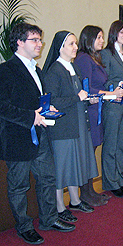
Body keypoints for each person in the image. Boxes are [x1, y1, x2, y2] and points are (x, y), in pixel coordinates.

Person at [0, 23, 75, 245]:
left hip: (39, 135)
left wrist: (47, 109)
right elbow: (2, 107)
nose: (40, 44)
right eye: (34, 40)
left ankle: (49, 219)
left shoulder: (37, 69)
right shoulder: (6, 70)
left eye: (40, 40)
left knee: (47, 178)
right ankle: (24, 227)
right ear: (20, 42)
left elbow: (37, 101)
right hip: (17, 138)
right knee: (19, 186)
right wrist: (31, 117)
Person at [43, 31, 96, 223]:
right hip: (63, 128)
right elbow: (52, 101)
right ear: (61, 47)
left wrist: (88, 99)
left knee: (75, 164)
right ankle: (59, 207)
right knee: (62, 168)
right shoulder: (54, 71)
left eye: (75, 44)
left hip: (77, 124)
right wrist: (78, 98)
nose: (75, 47)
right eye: (71, 44)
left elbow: (80, 94)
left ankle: (74, 200)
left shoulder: (73, 67)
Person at [75, 25, 123, 205]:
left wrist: (110, 92)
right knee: (87, 153)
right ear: (88, 39)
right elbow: (86, 88)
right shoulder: (83, 59)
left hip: (97, 109)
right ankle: (85, 193)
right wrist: (110, 94)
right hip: (89, 110)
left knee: (91, 152)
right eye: (98, 38)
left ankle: (90, 190)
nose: (102, 41)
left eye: (102, 37)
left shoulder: (94, 58)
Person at [100, 20, 123, 197]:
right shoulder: (106, 53)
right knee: (111, 144)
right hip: (113, 103)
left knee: (122, 143)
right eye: (122, 32)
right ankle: (110, 181)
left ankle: (121, 178)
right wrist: (117, 86)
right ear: (114, 33)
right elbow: (103, 79)